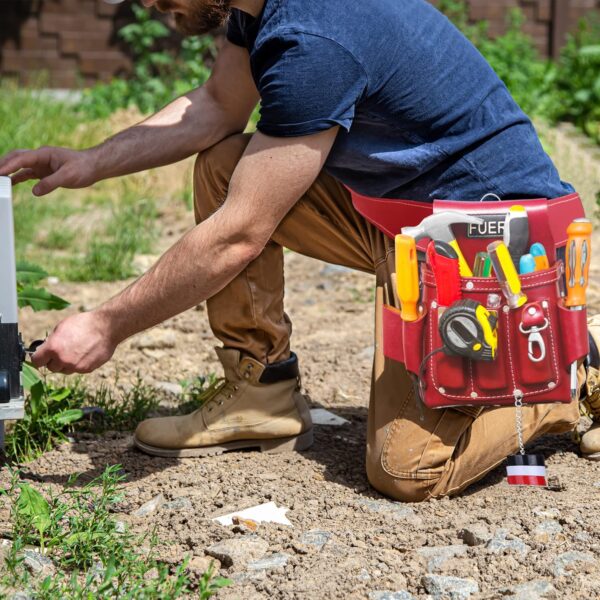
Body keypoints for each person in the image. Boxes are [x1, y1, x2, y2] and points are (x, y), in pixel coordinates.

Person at [1, 0, 598, 501]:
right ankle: (263, 389)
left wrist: (106, 325)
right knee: (225, 164)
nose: (151, 5)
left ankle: (564, 384)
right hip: (406, 224)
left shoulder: (314, 38)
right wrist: (90, 161)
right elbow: (216, 108)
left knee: (407, 469)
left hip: (497, 247)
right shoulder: (252, 8)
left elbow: (239, 235)